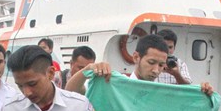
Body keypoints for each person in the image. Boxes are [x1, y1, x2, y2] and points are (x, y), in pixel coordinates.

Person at [65, 34, 213, 95]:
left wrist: (203, 93)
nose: (156, 70)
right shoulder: (116, 85)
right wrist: (88, 69)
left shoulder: (163, 93)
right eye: (151, 62)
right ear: (136, 57)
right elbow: (71, 90)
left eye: (161, 65)